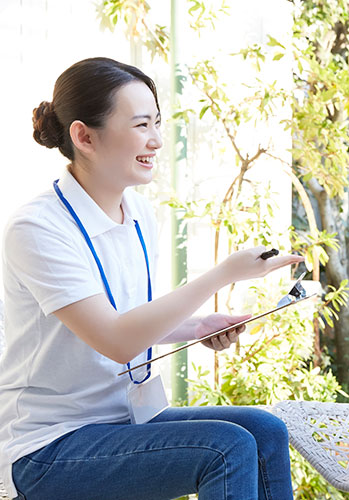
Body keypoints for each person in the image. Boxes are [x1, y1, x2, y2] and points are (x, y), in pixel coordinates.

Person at [0, 57, 304, 500]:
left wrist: (197, 327)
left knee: (263, 430)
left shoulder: (139, 213)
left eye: (157, 123)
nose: (158, 141)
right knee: (226, 449)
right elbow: (117, 340)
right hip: (48, 447)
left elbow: (125, 319)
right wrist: (223, 274)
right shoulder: (38, 229)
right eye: (141, 125)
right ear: (84, 136)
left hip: (123, 421)